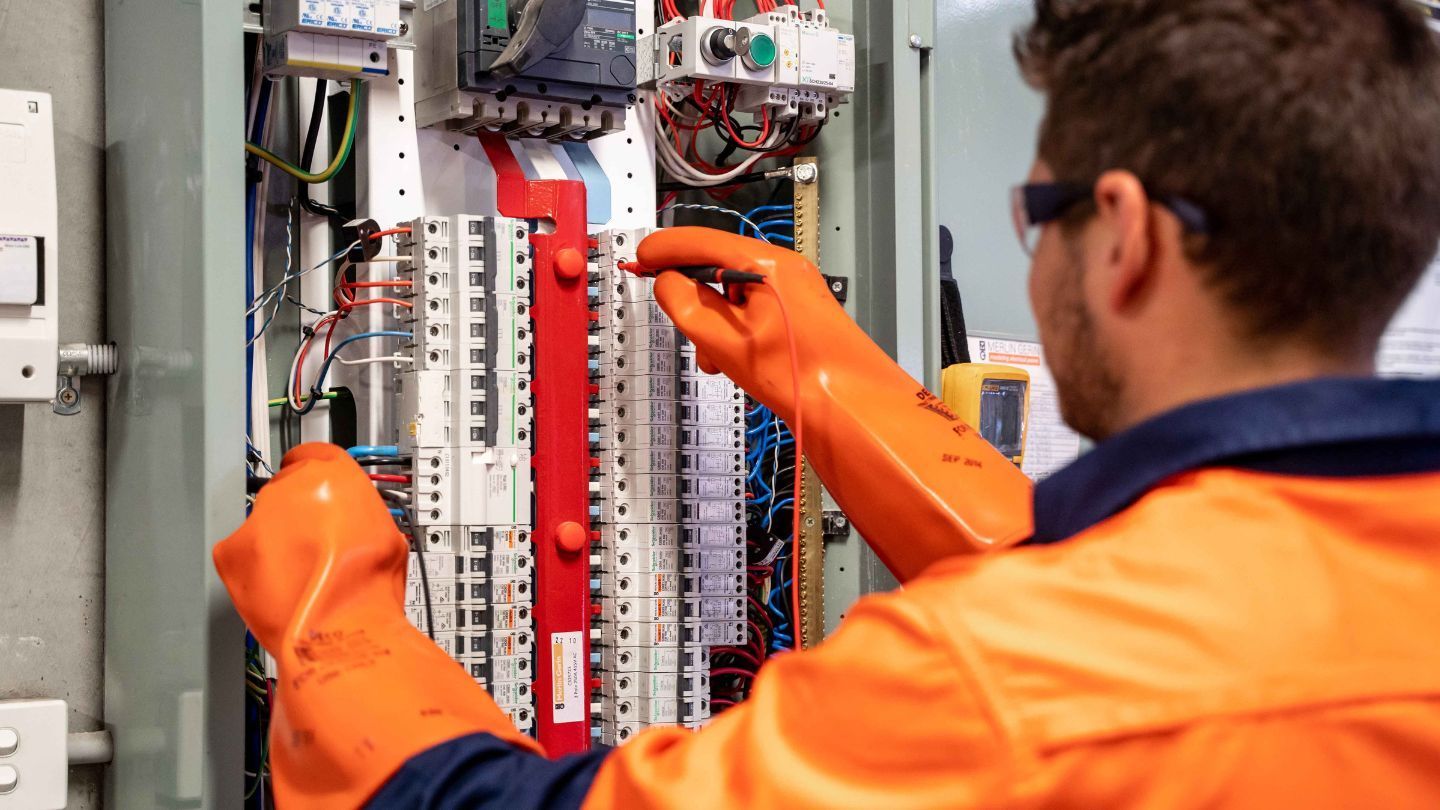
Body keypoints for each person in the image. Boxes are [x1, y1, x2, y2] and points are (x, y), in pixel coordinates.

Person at [215, 0, 1440, 806]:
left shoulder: (993, 689)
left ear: (1119, 235)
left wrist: (341, 627)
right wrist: (845, 390)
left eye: (1039, 215)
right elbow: (1202, 602)